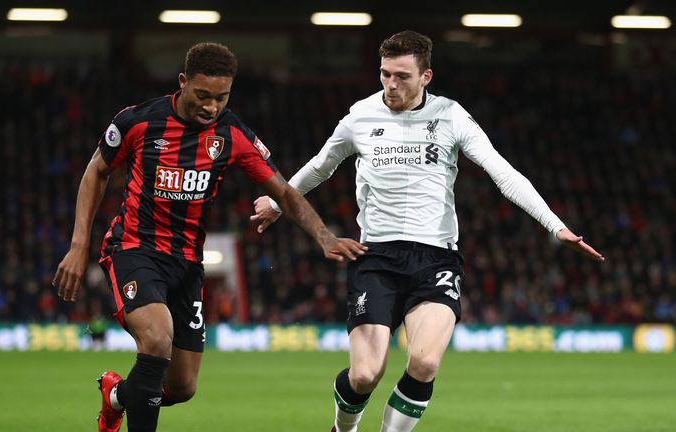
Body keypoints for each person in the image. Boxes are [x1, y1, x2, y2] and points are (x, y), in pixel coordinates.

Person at [250, 30, 605, 432]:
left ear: (426, 76)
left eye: (402, 76)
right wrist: (279, 203)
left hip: (435, 258)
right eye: (385, 74)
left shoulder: (450, 115)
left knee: (424, 361)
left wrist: (555, 226)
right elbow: (320, 165)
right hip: (375, 259)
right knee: (365, 375)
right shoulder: (360, 116)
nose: (391, 84)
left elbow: (502, 172)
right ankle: (343, 429)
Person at [52, 42, 367, 432]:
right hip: (134, 249)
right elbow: (96, 171)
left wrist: (323, 236)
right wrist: (79, 245)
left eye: (221, 98)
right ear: (183, 83)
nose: (211, 107)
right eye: (202, 95)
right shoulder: (139, 122)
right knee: (156, 338)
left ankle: (116, 397)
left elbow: (283, 190)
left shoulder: (231, 134)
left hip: (186, 264)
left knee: (182, 386)